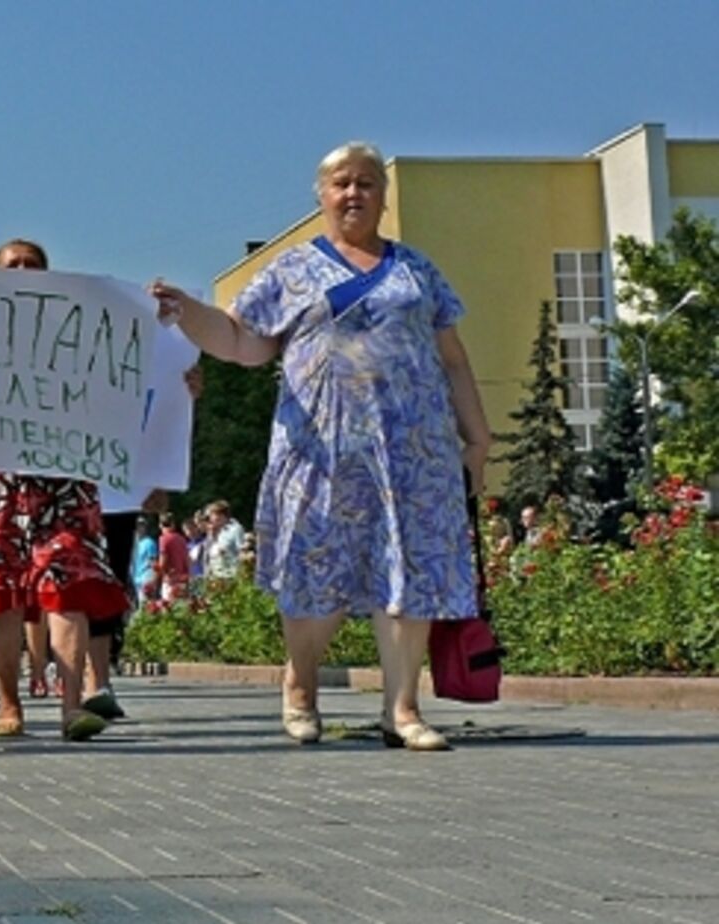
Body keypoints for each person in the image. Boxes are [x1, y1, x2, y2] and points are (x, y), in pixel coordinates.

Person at [152, 141, 492, 751]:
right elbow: (242, 342)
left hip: (413, 453)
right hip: (320, 451)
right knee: (314, 572)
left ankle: (403, 709)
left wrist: (478, 436)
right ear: (321, 196)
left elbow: (454, 359)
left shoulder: (416, 271)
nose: (354, 193)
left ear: (385, 196)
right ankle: (301, 685)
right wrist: (188, 313)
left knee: (409, 572)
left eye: (367, 182)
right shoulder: (292, 270)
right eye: (342, 183)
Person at [0, 238, 129, 742]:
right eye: (11, 265)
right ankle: (9, 706)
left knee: (66, 588)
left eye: (32, 265)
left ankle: (72, 707)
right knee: (2, 596)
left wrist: (179, 382)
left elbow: (125, 386)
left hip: (64, 480)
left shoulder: (79, 335)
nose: (22, 271)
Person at [204, 500, 246, 580]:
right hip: (216, 576)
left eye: (212, 515)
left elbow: (243, 552)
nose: (210, 519)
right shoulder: (217, 530)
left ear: (221, 515)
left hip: (230, 576)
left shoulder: (236, 529)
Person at [155, 512, 191, 602]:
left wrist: (155, 568)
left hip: (170, 581)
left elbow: (163, 563)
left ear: (160, 525)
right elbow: (187, 560)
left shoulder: (163, 539)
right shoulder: (182, 539)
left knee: (170, 611)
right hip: (183, 579)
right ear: (173, 524)